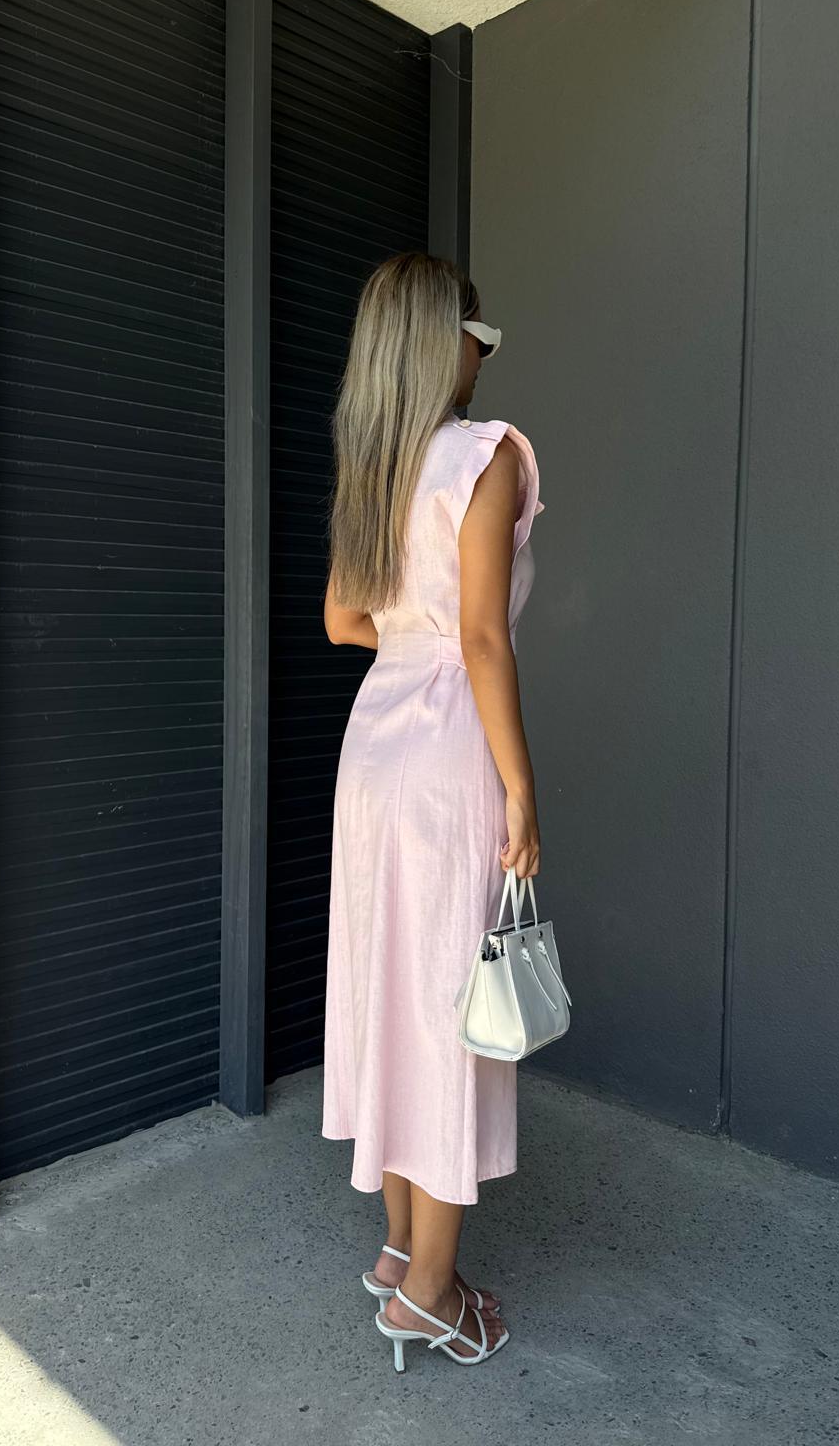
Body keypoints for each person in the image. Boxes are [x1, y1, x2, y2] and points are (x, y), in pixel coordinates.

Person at [321, 251, 545, 1370]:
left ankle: (402, 1250)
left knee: (394, 995)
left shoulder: (375, 464)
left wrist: (410, 638)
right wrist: (522, 787)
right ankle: (430, 1294)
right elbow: (485, 640)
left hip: (374, 751)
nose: (484, 350)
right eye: (476, 329)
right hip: (451, 750)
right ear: (439, 340)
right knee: (454, 1008)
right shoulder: (483, 456)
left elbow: (342, 623)